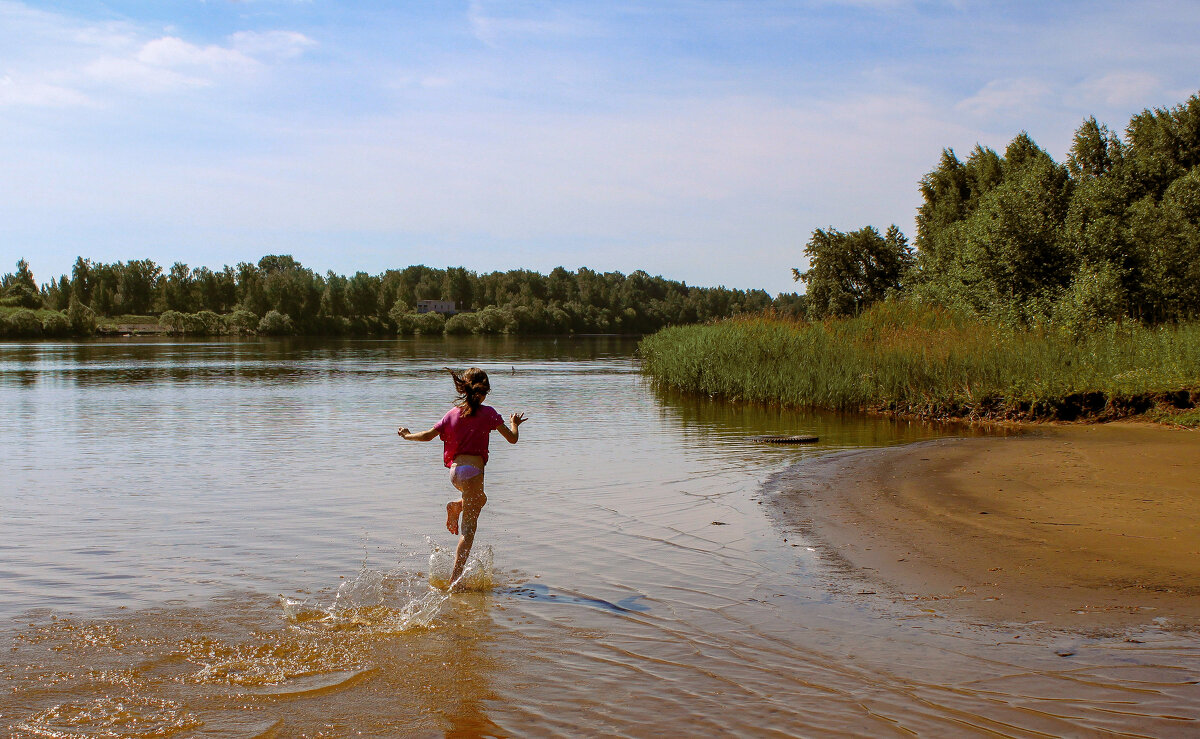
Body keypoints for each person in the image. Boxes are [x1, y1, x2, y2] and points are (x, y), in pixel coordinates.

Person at [398, 367, 526, 588]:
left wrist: (407, 435)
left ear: (464, 389)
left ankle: (457, 506)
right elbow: (512, 439)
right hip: (474, 473)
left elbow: (429, 436)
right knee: (468, 533)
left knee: (481, 499)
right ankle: (455, 580)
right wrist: (514, 423)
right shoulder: (489, 414)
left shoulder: (452, 413)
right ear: (485, 392)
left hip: (455, 473)